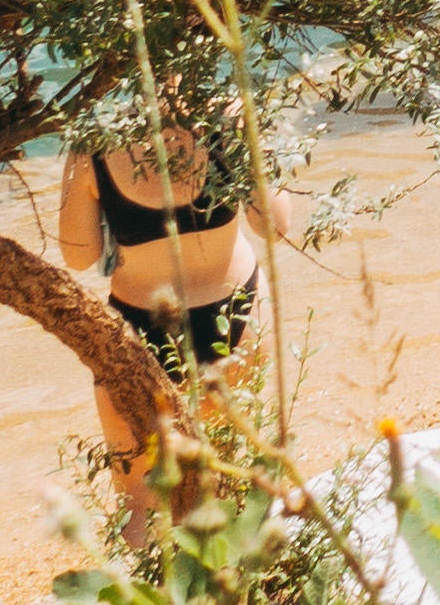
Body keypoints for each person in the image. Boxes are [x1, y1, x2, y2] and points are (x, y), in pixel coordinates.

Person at [59, 104, 294, 474]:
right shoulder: (229, 117)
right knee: (237, 471)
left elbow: (78, 255)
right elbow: (275, 226)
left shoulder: (97, 139)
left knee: (138, 492)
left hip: (136, 332)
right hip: (233, 312)